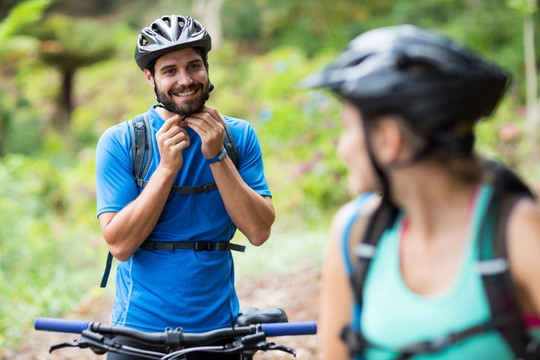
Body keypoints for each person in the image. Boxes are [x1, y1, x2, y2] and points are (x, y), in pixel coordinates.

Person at [302, 25, 540, 359]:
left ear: (388, 139)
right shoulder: (355, 232)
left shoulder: (517, 231)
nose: (342, 149)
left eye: (347, 129)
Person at [95, 15, 275, 360]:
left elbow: (258, 231)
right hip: (136, 332)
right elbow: (119, 243)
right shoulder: (121, 141)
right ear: (150, 77)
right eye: (170, 71)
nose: (185, 80)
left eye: (194, 66)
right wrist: (165, 168)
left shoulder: (238, 136)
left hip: (219, 330)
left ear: (207, 67)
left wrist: (216, 155)